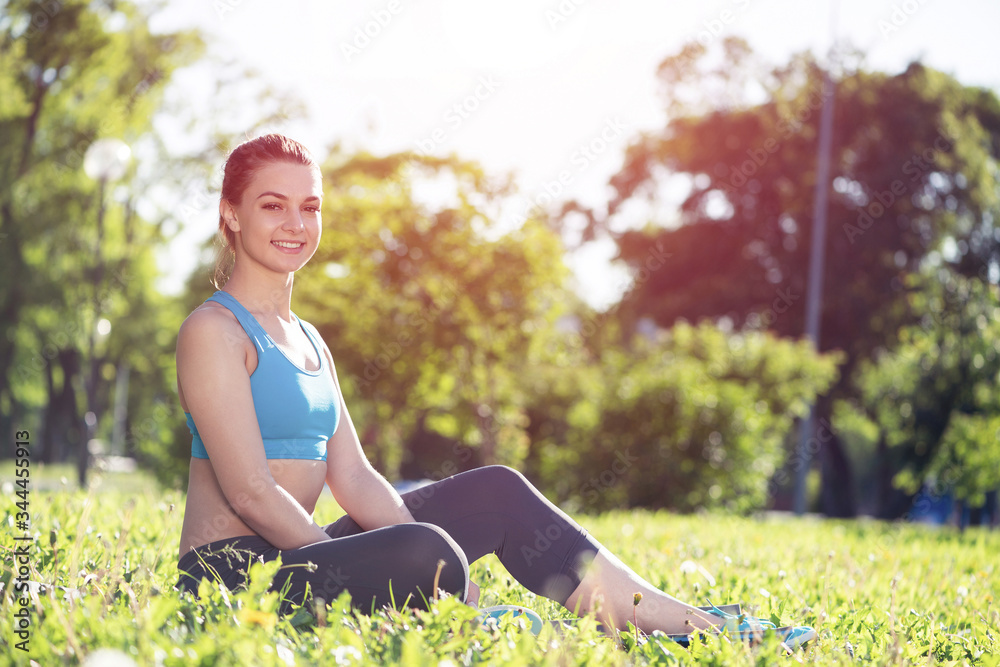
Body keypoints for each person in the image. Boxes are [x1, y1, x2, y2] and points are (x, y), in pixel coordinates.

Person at [174, 133, 815, 648]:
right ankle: (475, 614)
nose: (295, 222)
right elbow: (251, 491)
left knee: (496, 492)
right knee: (425, 553)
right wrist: (368, 561)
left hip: (307, 559)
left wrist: (389, 549)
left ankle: (685, 623)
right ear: (231, 214)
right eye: (272, 204)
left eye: (309, 206)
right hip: (233, 580)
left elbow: (359, 480)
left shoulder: (308, 338)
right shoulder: (214, 330)